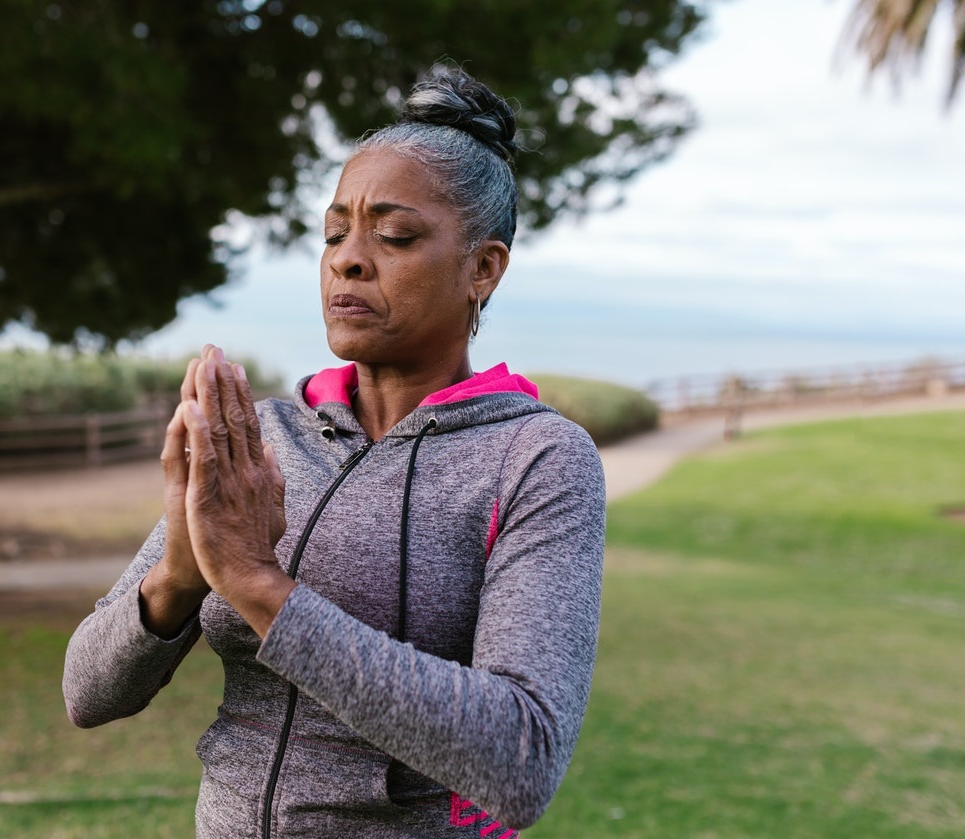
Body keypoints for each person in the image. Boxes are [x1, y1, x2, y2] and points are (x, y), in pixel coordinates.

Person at [62, 64, 606, 839]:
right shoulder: (263, 443)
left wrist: (256, 585)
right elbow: (88, 694)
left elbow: (519, 762)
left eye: (394, 235)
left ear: (482, 268)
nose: (348, 259)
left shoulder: (535, 459)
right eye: (334, 233)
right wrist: (180, 572)